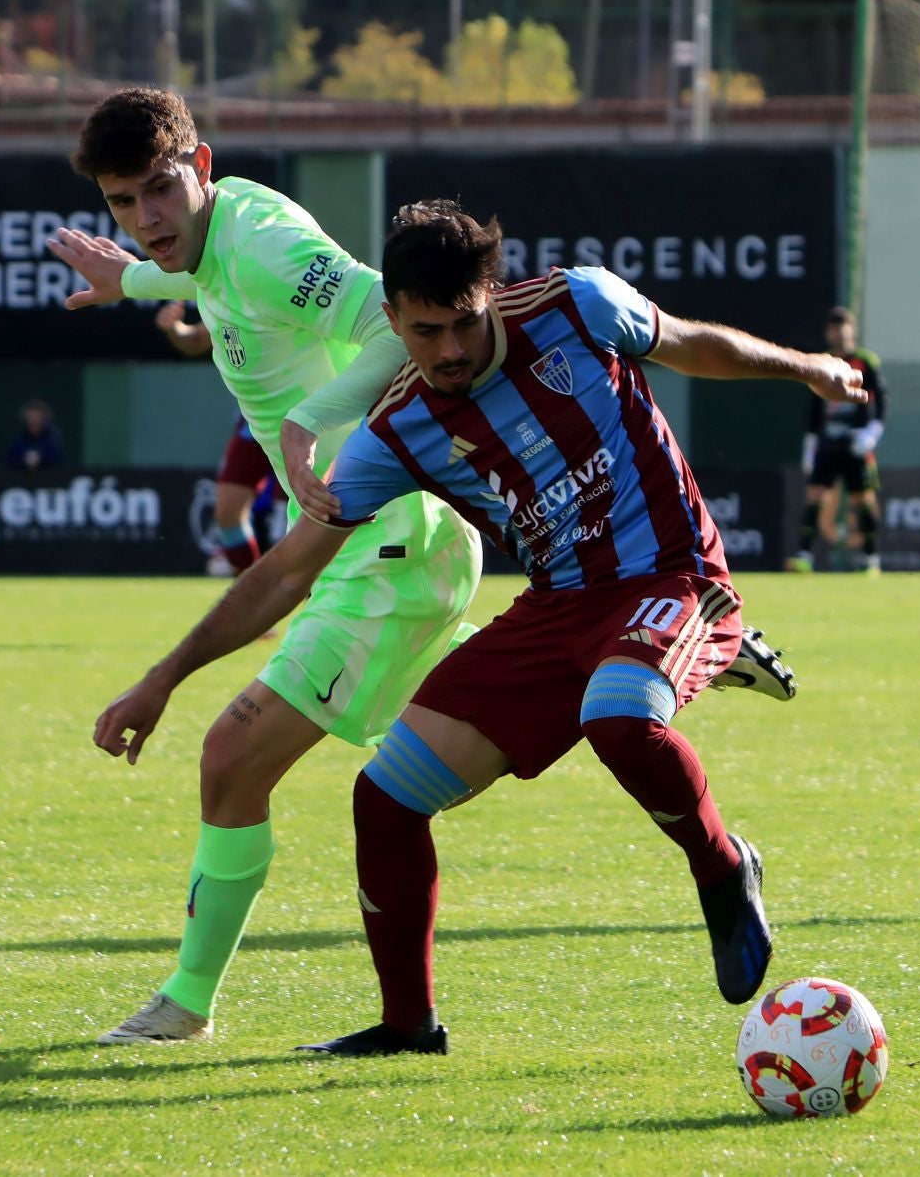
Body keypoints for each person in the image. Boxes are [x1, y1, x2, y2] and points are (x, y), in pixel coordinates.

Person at [96, 200, 867, 1057]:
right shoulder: (396, 429)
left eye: (464, 323)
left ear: (491, 295)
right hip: (553, 611)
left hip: (672, 572)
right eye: (424, 332)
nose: (450, 351)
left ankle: (724, 867)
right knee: (384, 798)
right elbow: (286, 572)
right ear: (391, 320)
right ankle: (406, 1026)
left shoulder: (575, 304)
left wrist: (806, 369)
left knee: (617, 716)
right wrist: (163, 677)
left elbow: (690, 343)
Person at [47, 87, 486, 1046]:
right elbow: (201, 278)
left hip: (387, 539)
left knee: (230, 759)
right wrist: (131, 283)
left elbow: (393, 319)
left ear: (201, 167)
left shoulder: (265, 243)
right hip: (370, 542)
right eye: (124, 202)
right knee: (422, 753)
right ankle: (628, 646)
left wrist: (308, 421)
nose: (146, 218)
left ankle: (186, 1005)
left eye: (160, 189)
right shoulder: (213, 248)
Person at [156, 300, 277, 576]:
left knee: (295, 523)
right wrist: (175, 329)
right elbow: (196, 340)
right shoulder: (230, 298)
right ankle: (252, 604)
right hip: (254, 424)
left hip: (306, 418)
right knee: (228, 515)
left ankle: (317, 609)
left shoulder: (285, 286)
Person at [790, 307, 888, 574]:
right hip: (827, 445)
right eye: (834, 330)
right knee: (816, 496)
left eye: (843, 330)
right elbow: (814, 407)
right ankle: (803, 556)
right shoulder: (824, 362)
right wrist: (810, 444)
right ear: (828, 333)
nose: (839, 336)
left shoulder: (866, 362)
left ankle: (871, 560)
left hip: (856, 444)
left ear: (851, 332)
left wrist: (872, 433)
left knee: (862, 500)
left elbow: (881, 399)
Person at [5, 399, 65, 470]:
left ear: (44, 419)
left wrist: (40, 459)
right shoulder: (19, 438)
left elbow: (57, 459)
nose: (34, 420)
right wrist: (24, 460)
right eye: (31, 417)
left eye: (37, 417)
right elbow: (9, 458)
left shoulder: (53, 438)